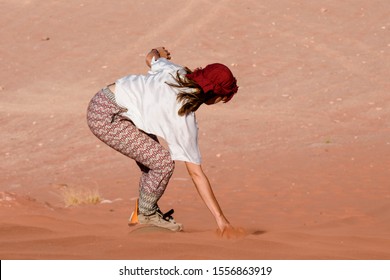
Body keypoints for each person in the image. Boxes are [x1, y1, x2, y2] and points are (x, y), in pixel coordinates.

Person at [86, 47, 240, 236]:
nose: (223, 101)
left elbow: (151, 57)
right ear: (214, 93)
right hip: (105, 116)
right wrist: (220, 219)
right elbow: (195, 173)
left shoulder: (177, 72)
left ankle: (141, 211)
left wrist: (158, 51)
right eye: (224, 97)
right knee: (162, 163)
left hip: (104, 99)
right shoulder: (182, 116)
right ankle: (147, 213)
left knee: (152, 159)